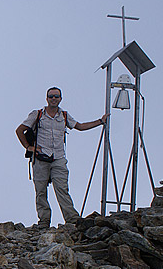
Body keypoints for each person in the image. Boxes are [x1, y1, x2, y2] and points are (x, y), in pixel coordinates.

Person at [16, 87, 109, 228]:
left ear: (60, 98)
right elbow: (19, 130)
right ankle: (44, 221)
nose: (54, 99)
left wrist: (100, 122)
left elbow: (80, 126)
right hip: (40, 158)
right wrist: (29, 147)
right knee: (41, 191)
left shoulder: (64, 116)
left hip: (58, 157)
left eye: (56, 96)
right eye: (51, 96)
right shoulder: (38, 114)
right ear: (47, 98)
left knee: (62, 189)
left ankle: (72, 219)